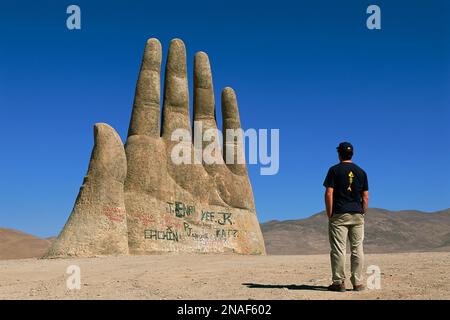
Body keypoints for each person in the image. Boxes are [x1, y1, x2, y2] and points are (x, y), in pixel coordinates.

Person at [323, 142, 369, 292]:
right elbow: (366, 196)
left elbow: (329, 193)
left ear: (339, 154)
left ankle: (338, 282)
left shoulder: (334, 170)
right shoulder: (361, 172)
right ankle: (358, 283)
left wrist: (329, 213)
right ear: (352, 154)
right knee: (357, 249)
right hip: (357, 214)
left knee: (339, 249)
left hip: (339, 214)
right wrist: (363, 212)